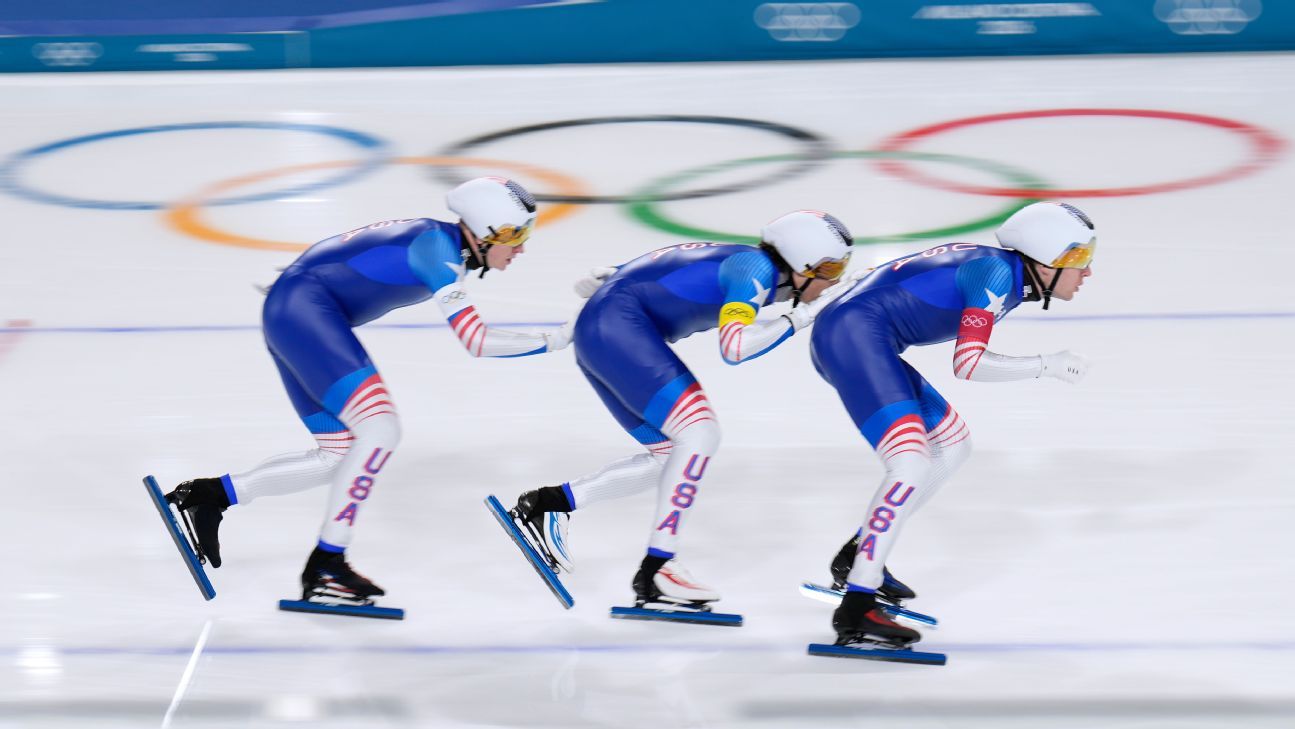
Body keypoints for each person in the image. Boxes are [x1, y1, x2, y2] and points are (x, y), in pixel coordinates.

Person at [165, 177, 573, 607]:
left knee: (337, 453)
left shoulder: (437, 241)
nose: (521, 249)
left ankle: (210, 496)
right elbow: (476, 341)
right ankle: (327, 563)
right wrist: (559, 338)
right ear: (487, 232)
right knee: (381, 429)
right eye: (515, 236)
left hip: (295, 311)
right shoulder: (439, 250)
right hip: (305, 311)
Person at [506, 210, 855, 610]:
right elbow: (735, 347)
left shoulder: (752, 264)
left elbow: (674, 263)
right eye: (829, 268)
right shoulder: (755, 271)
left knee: (669, 456)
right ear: (799, 262)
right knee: (700, 433)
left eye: (842, 267)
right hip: (618, 328)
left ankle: (549, 504)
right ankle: (658, 567)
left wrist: (616, 271)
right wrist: (804, 315)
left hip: (606, 329)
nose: (835, 279)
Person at [808, 201, 1096, 648]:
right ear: (1043, 257)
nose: (1087, 271)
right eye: (1077, 258)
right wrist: (1047, 364)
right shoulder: (999, 274)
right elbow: (969, 363)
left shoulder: (1003, 271)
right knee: (910, 462)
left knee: (953, 444)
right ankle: (858, 606)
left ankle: (858, 556)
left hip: (859, 335)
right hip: (853, 336)